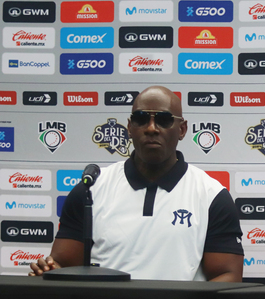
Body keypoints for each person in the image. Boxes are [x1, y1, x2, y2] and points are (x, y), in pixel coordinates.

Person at [30, 86, 244, 281]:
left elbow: (227, 275)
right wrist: (49, 271)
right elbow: (65, 267)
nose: (151, 128)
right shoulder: (90, 191)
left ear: (182, 129)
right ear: (130, 127)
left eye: (164, 119)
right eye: (141, 119)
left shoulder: (212, 195)